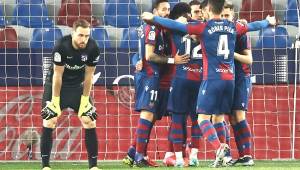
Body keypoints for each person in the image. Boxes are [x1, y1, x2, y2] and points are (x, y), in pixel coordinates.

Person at [141, 0, 276, 167]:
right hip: (230, 80)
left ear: (209, 10)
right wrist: (268, 21)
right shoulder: (233, 26)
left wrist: (154, 18)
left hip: (211, 79)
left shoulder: (203, 27)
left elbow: (176, 26)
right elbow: (254, 26)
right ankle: (229, 157)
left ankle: (219, 148)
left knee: (203, 119)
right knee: (219, 118)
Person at [123, 0, 189, 167]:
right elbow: (149, 55)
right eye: (163, 10)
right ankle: (139, 156)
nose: (166, 12)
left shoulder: (161, 28)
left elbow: (142, 52)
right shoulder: (152, 27)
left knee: (152, 116)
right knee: (148, 114)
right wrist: (174, 60)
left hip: (156, 75)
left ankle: (133, 153)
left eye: (168, 9)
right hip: (149, 75)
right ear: (155, 11)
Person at [40, 19, 100, 170]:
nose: (84, 39)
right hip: (56, 85)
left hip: (77, 87)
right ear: (73, 33)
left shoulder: (93, 47)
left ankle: (93, 166)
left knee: (89, 121)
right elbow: (57, 76)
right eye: (80, 35)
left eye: (87, 36)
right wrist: (54, 101)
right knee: (50, 120)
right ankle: (45, 166)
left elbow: (89, 77)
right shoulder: (61, 46)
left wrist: (86, 100)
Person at [221, 2, 255, 166]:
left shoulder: (241, 31)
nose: (224, 19)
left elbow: (249, 59)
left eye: (227, 16)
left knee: (239, 115)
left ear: (233, 16)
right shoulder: (218, 31)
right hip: (226, 78)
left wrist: (230, 53)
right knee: (232, 118)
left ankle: (248, 155)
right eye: (222, 15)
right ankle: (241, 155)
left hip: (241, 76)